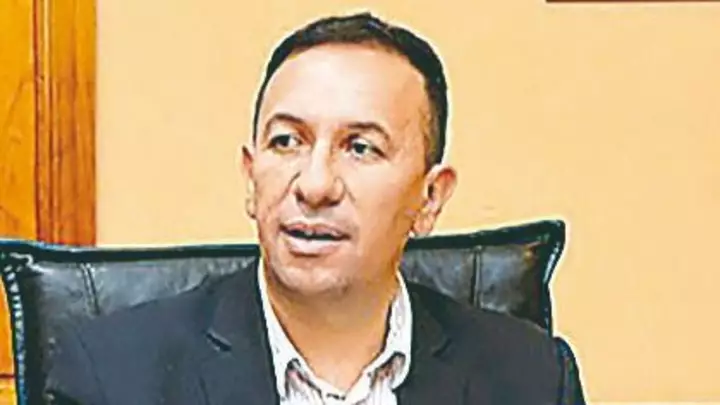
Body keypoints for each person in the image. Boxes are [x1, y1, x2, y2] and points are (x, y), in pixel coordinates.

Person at [45, 12, 582, 405]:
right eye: (287, 142)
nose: (315, 184)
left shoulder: (531, 380)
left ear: (429, 198)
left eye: (360, 147)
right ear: (251, 177)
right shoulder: (112, 378)